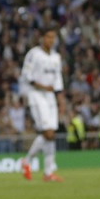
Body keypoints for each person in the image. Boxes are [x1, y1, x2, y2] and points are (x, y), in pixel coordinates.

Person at [19, 27, 64, 182]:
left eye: (53, 37)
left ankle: (48, 172)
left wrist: (61, 100)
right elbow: (26, 75)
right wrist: (43, 87)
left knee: (51, 135)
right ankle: (29, 161)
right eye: (48, 37)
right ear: (42, 38)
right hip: (36, 95)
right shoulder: (33, 54)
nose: (51, 40)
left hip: (51, 97)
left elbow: (58, 81)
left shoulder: (57, 57)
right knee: (48, 133)